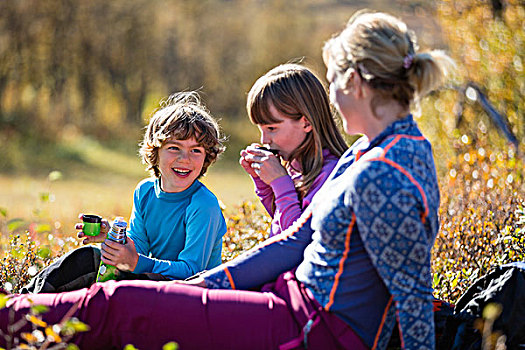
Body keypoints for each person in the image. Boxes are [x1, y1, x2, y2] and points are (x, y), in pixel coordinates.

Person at [1, 11, 454, 350]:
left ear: (354, 81)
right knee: (132, 298)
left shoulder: (389, 172)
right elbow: (292, 242)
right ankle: (14, 315)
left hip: (314, 329)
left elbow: (412, 296)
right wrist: (202, 287)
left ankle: (8, 320)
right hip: (289, 299)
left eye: (334, 82)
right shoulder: (365, 151)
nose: (331, 97)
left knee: (119, 307)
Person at [21, 91, 227, 293]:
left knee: (90, 263)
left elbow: (192, 272)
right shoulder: (145, 192)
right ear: (155, 152)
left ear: (207, 157)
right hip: (153, 284)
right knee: (89, 258)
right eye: (174, 148)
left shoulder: (203, 204)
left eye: (196, 150)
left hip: (189, 297)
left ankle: (19, 307)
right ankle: (23, 300)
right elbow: (140, 251)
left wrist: (135, 262)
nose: (185, 158)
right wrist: (114, 239)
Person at [239, 64, 347, 237]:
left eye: (272, 128)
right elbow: (280, 219)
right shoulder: (296, 166)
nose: (264, 140)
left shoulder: (331, 176)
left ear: (306, 123)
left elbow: (297, 242)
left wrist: (280, 182)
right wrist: (264, 183)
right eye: (261, 129)